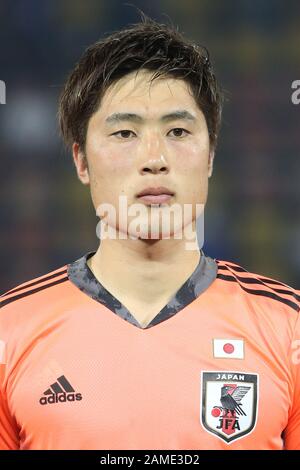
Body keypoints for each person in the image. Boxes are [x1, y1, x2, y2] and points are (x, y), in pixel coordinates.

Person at [0, 15, 299, 450]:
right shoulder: (9, 332)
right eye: (124, 132)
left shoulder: (288, 329)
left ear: (211, 155)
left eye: (177, 131)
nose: (154, 158)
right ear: (81, 161)